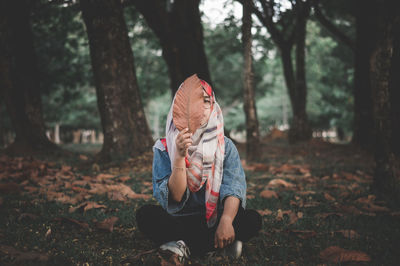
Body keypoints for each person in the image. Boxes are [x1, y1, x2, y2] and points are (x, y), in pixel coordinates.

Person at [135, 74, 262, 262]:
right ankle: (217, 246)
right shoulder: (164, 148)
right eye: (193, 101)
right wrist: (178, 157)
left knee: (251, 219)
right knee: (146, 215)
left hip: (215, 217)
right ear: (180, 107)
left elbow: (233, 188)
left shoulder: (225, 146)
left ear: (213, 107)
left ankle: (181, 245)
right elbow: (175, 197)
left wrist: (226, 221)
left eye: (206, 101)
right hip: (179, 219)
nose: (201, 107)